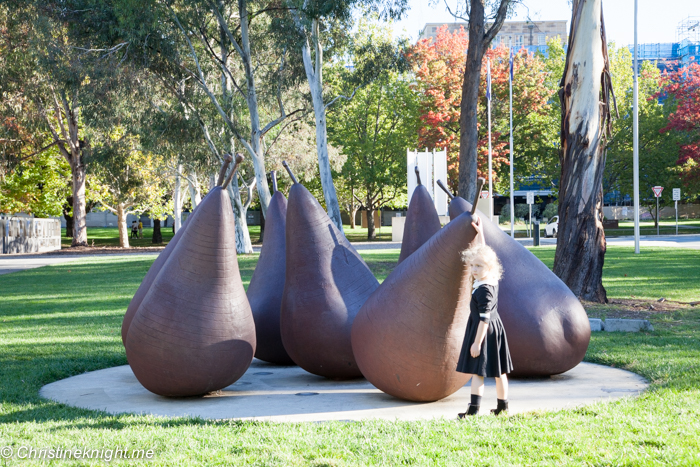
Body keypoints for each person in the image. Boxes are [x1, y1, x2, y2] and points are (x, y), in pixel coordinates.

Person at [456, 217, 513, 417]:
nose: (474, 270)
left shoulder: (484, 290)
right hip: (494, 329)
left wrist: (476, 344)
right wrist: (481, 234)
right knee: (499, 372)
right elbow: (485, 253)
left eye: (478, 266)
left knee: (480, 372)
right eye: (472, 265)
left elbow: (484, 319)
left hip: (484, 331)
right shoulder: (490, 277)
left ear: (488, 267)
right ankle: (502, 408)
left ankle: (473, 411)